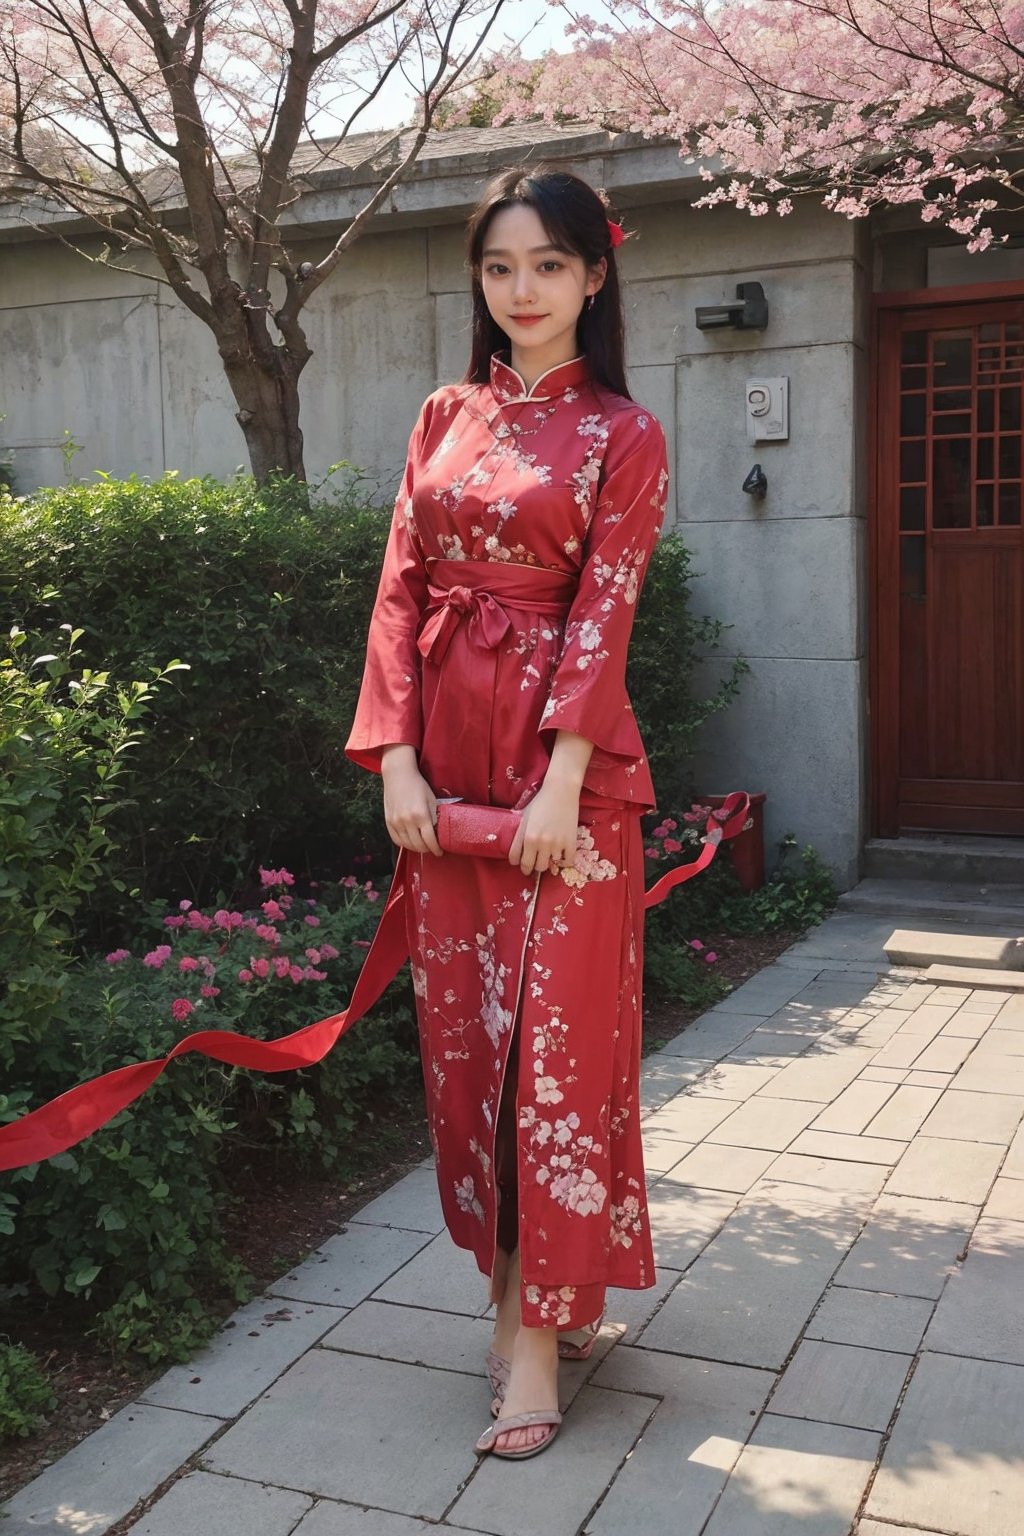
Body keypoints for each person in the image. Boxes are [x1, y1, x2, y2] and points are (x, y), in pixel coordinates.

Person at [345, 163, 670, 1461]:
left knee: (557, 1055)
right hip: (445, 766)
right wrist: (395, 763)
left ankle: (536, 1336)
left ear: (596, 276)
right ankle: (508, 1292)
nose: (522, 290)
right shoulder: (440, 415)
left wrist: (559, 783)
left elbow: (608, 610)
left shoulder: (624, 434)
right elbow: (395, 589)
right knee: (467, 1053)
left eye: (549, 265)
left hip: (563, 785)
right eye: (499, 266)